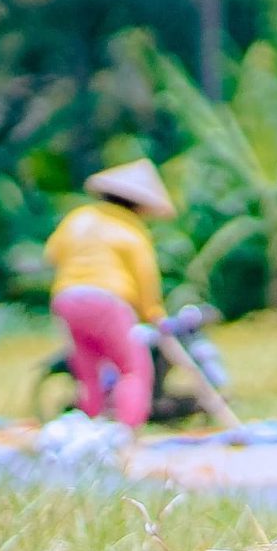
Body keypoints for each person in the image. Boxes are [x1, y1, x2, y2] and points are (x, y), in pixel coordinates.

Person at [45, 158, 175, 431]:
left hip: (66, 298)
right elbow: (146, 281)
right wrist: (153, 313)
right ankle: (126, 432)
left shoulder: (78, 218)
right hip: (107, 301)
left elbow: (52, 254)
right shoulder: (131, 230)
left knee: (87, 371)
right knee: (132, 369)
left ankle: (90, 429)